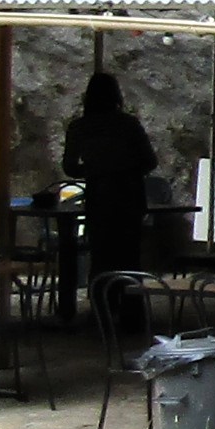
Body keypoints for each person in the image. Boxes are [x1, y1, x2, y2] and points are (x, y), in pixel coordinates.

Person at [62, 71, 159, 293]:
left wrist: (95, 169)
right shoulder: (128, 124)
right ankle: (131, 311)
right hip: (129, 195)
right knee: (129, 257)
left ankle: (101, 309)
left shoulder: (80, 127)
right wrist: (125, 170)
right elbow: (150, 161)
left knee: (101, 255)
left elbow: (69, 167)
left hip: (100, 196)